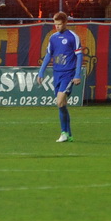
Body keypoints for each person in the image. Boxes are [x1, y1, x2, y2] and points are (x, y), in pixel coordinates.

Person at [37, 12, 83, 143]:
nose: (57, 26)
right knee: (62, 104)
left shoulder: (73, 37)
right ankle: (69, 134)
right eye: (55, 24)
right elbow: (48, 55)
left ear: (65, 23)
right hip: (56, 73)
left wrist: (77, 74)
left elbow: (79, 56)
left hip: (68, 74)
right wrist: (41, 72)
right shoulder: (53, 38)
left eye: (59, 24)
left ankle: (63, 133)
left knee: (59, 102)